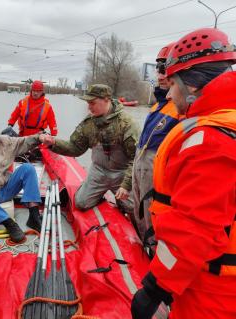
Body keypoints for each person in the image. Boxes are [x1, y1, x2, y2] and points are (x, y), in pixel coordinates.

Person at [131, 28, 236, 319]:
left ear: (191, 86)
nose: (169, 92)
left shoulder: (213, 140)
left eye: (173, 83)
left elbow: (195, 228)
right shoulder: (225, 121)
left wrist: (154, 288)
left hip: (214, 291)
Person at [46, 84, 139, 213]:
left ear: (106, 99)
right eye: (88, 103)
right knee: (81, 203)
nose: (89, 107)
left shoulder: (127, 123)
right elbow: (75, 148)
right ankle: (98, 193)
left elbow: (136, 159)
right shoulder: (88, 123)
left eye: (92, 103)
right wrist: (53, 143)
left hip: (121, 174)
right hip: (98, 171)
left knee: (132, 208)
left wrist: (126, 185)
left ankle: (120, 201)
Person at [131, 42, 180, 247]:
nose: (160, 76)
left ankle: (151, 254)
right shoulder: (156, 107)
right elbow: (140, 151)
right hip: (140, 179)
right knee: (139, 218)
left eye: (165, 71)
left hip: (158, 188)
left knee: (154, 229)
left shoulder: (182, 109)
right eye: (158, 69)